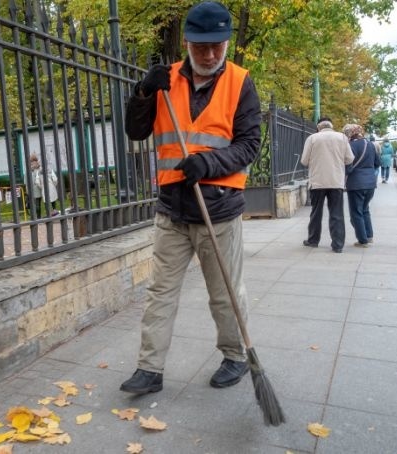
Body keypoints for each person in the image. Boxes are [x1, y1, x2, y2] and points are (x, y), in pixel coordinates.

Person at [120, 1, 262, 395]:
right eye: (202, 47)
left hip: (219, 210)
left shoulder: (240, 82)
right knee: (159, 293)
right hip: (172, 211)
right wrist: (143, 92)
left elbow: (250, 144)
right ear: (187, 42)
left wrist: (209, 163)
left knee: (226, 294)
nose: (210, 54)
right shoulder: (166, 80)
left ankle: (235, 356)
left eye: (218, 46)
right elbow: (135, 131)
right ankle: (150, 369)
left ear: (226, 43)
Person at [300, 117, 354, 253]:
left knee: (316, 212)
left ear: (319, 127)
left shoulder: (312, 138)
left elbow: (304, 161)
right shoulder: (342, 137)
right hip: (336, 181)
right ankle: (338, 244)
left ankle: (313, 240)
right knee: (337, 213)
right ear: (331, 126)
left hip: (317, 181)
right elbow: (349, 159)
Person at [343, 124, 380, 247]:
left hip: (356, 183)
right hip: (370, 183)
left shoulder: (350, 146)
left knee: (356, 212)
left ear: (350, 133)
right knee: (365, 209)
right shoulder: (371, 145)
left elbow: (348, 165)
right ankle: (369, 236)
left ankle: (362, 240)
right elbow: (377, 163)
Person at [29, 154, 59, 219]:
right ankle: (53, 212)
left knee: (46, 201)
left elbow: (37, 181)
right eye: (32, 163)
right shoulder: (48, 170)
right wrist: (54, 185)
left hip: (42, 189)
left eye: (34, 162)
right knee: (51, 200)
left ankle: (47, 214)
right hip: (47, 187)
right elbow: (55, 179)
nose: (33, 164)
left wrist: (41, 186)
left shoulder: (38, 171)